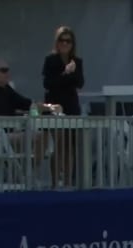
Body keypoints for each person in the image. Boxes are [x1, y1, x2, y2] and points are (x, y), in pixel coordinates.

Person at [42, 25, 85, 187]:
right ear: (57, 42)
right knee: (58, 144)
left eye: (69, 41)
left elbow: (80, 83)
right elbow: (48, 84)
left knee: (69, 145)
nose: (65, 44)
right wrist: (66, 73)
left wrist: (72, 73)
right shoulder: (50, 60)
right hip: (54, 105)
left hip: (71, 105)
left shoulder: (77, 62)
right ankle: (55, 182)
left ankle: (68, 181)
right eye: (62, 40)